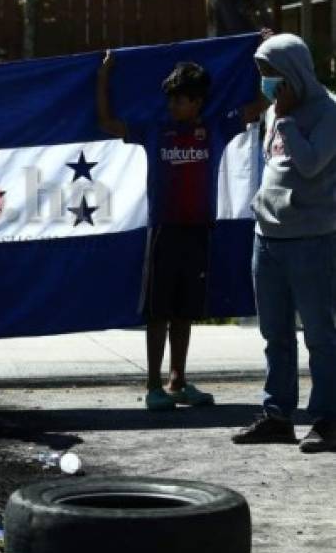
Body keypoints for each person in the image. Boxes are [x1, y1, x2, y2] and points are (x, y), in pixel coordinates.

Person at [97, 52, 267, 411]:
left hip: (199, 231)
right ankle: (153, 385)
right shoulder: (155, 130)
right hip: (163, 231)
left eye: (181, 98)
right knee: (158, 312)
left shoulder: (218, 127)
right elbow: (108, 122)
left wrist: (258, 58)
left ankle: (179, 380)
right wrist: (104, 74)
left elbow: (261, 103)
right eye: (170, 98)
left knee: (185, 312)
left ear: (198, 102)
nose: (173, 104)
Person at [233, 33, 336, 453]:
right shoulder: (273, 110)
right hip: (268, 238)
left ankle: (327, 419)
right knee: (275, 334)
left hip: (312, 240)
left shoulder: (326, 111)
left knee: (320, 335)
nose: (265, 81)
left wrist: (290, 121)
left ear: (293, 71)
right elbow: (271, 165)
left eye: (270, 73)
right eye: (261, 73)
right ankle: (278, 414)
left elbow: (311, 165)